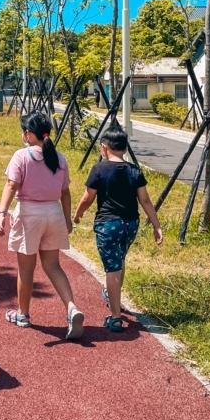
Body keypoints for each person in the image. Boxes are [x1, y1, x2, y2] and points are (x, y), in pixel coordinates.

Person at [0, 111, 86, 340]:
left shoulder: (21, 156)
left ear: (27, 134)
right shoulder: (59, 157)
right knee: (53, 266)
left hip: (29, 215)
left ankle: (23, 315)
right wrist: (67, 219)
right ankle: (71, 308)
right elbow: (65, 192)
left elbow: (11, 185)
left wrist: (1, 212)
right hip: (53, 213)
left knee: (26, 269)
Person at [72, 125, 163, 332]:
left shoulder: (99, 169)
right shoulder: (134, 170)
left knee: (112, 268)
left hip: (108, 224)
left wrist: (77, 214)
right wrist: (156, 226)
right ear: (124, 148)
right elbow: (145, 200)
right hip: (131, 224)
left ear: (104, 147)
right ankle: (113, 295)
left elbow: (88, 197)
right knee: (119, 259)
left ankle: (115, 316)